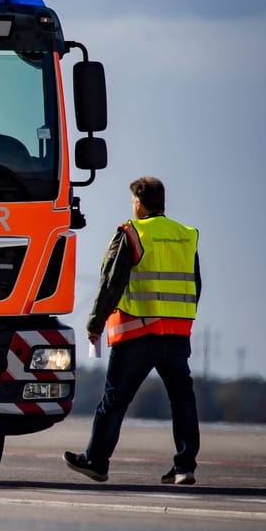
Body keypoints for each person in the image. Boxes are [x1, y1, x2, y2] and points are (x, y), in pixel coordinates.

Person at [65, 176, 201, 485]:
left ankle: (96, 461)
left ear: (138, 203)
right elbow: (196, 285)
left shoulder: (132, 233)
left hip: (138, 333)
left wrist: (95, 322)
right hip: (177, 334)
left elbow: (112, 282)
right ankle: (184, 467)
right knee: (183, 400)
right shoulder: (185, 235)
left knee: (114, 400)